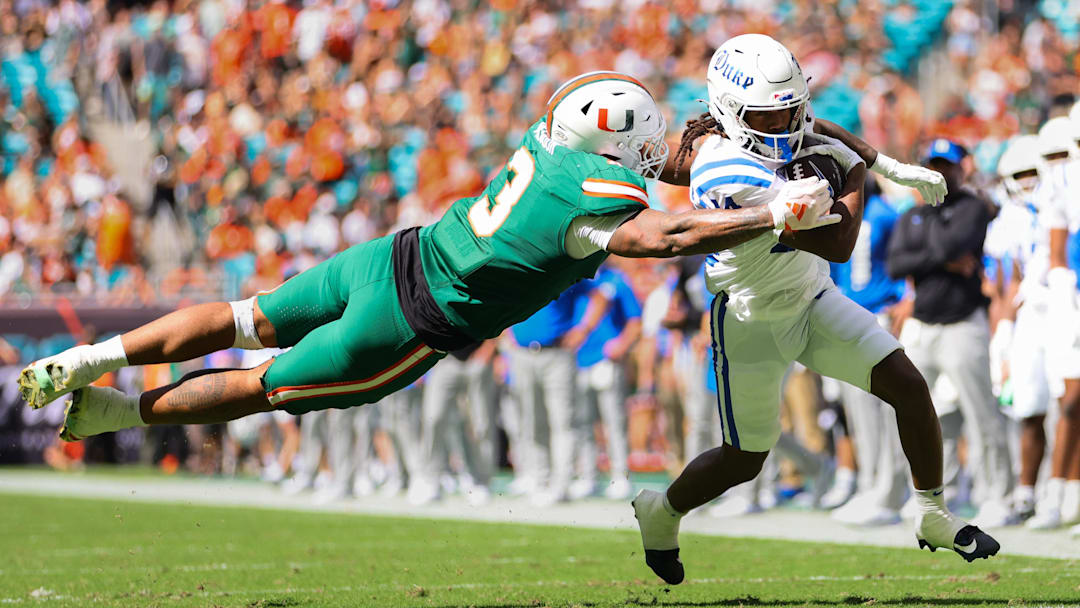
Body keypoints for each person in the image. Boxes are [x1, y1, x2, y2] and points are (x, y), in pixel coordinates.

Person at [20, 72, 839, 455]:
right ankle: (117, 415)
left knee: (247, 316)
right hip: (410, 321)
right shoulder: (597, 201)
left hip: (393, 254)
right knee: (260, 382)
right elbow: (659, 239)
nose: (649, 156)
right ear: (613, 148)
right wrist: (769, 213)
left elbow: (620, 147)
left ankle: (83, 359)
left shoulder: (547, 140)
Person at [630, 35, 998, 587]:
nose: (782, 128)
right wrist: (856, 174)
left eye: (788, 110)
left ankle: (932, 512)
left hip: (813, 298)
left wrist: (891, 167)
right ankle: (663, 511)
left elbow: (818, 128)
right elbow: (839, 242)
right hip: (752, 320)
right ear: (731, 112)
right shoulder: (727, 174)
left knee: (907, 385)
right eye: (766, 116)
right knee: (745, 457)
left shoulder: (766, 129)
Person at [887, 138, 1017, 528]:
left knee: (982, 415)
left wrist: (932, 252)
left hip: (964, 322)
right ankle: (930, 498)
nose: (940, 173)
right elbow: (896, 263)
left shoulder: (972, 207)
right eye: (934, 165)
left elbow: (951, 245)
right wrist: (942, 257)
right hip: (922, 325)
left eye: (948, 165)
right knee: (919, 417)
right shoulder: (913, 213)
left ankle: (1000, 496)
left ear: (962, 168)